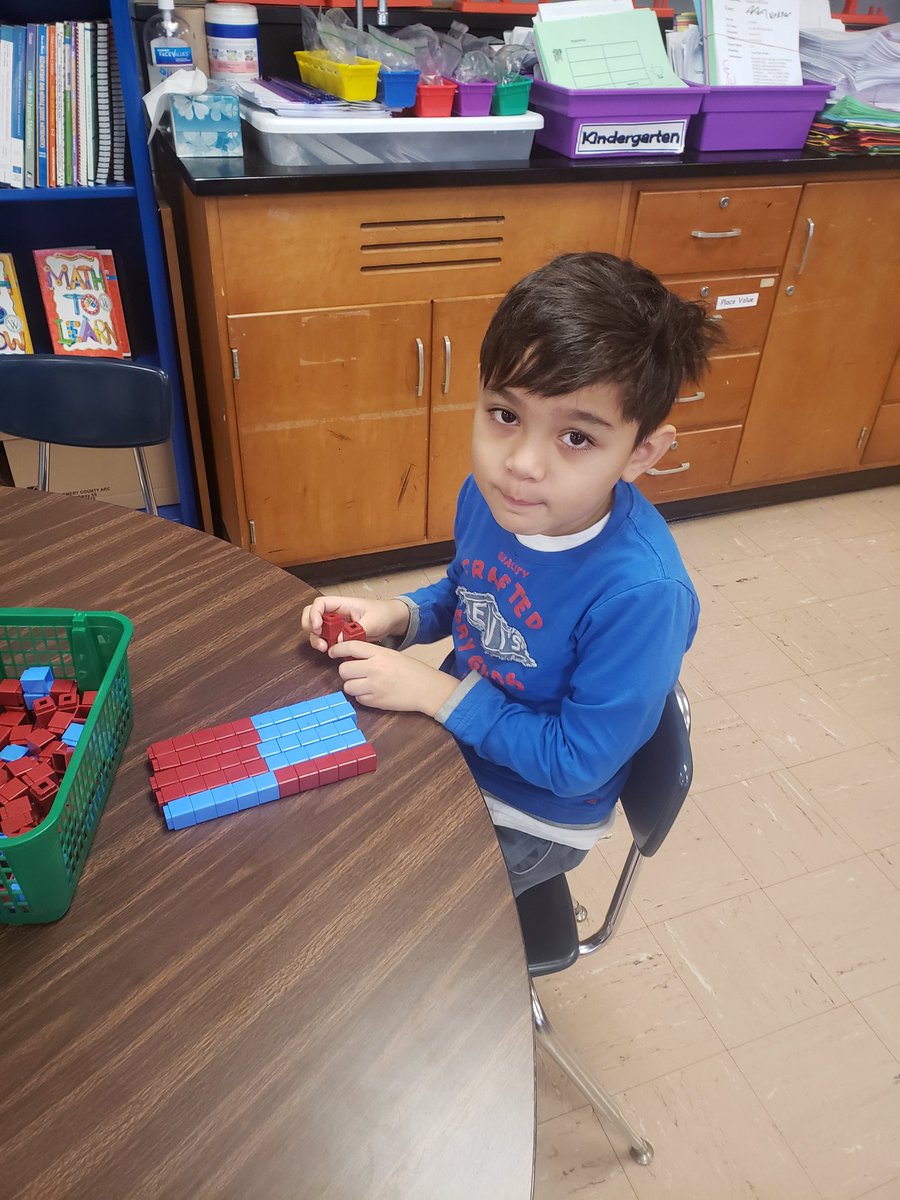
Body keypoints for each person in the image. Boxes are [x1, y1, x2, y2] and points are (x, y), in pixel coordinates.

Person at [301, 252, 721, 895]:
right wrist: (400, 615)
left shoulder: (643, 596)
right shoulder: (493, 497)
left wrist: (437, 695)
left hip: (533, 812)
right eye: (506, 415)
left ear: (642, 452)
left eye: (576, 438)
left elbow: (576, 764)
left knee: (366, 896)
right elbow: (471, 590)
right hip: (455, 738)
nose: (521, 463)